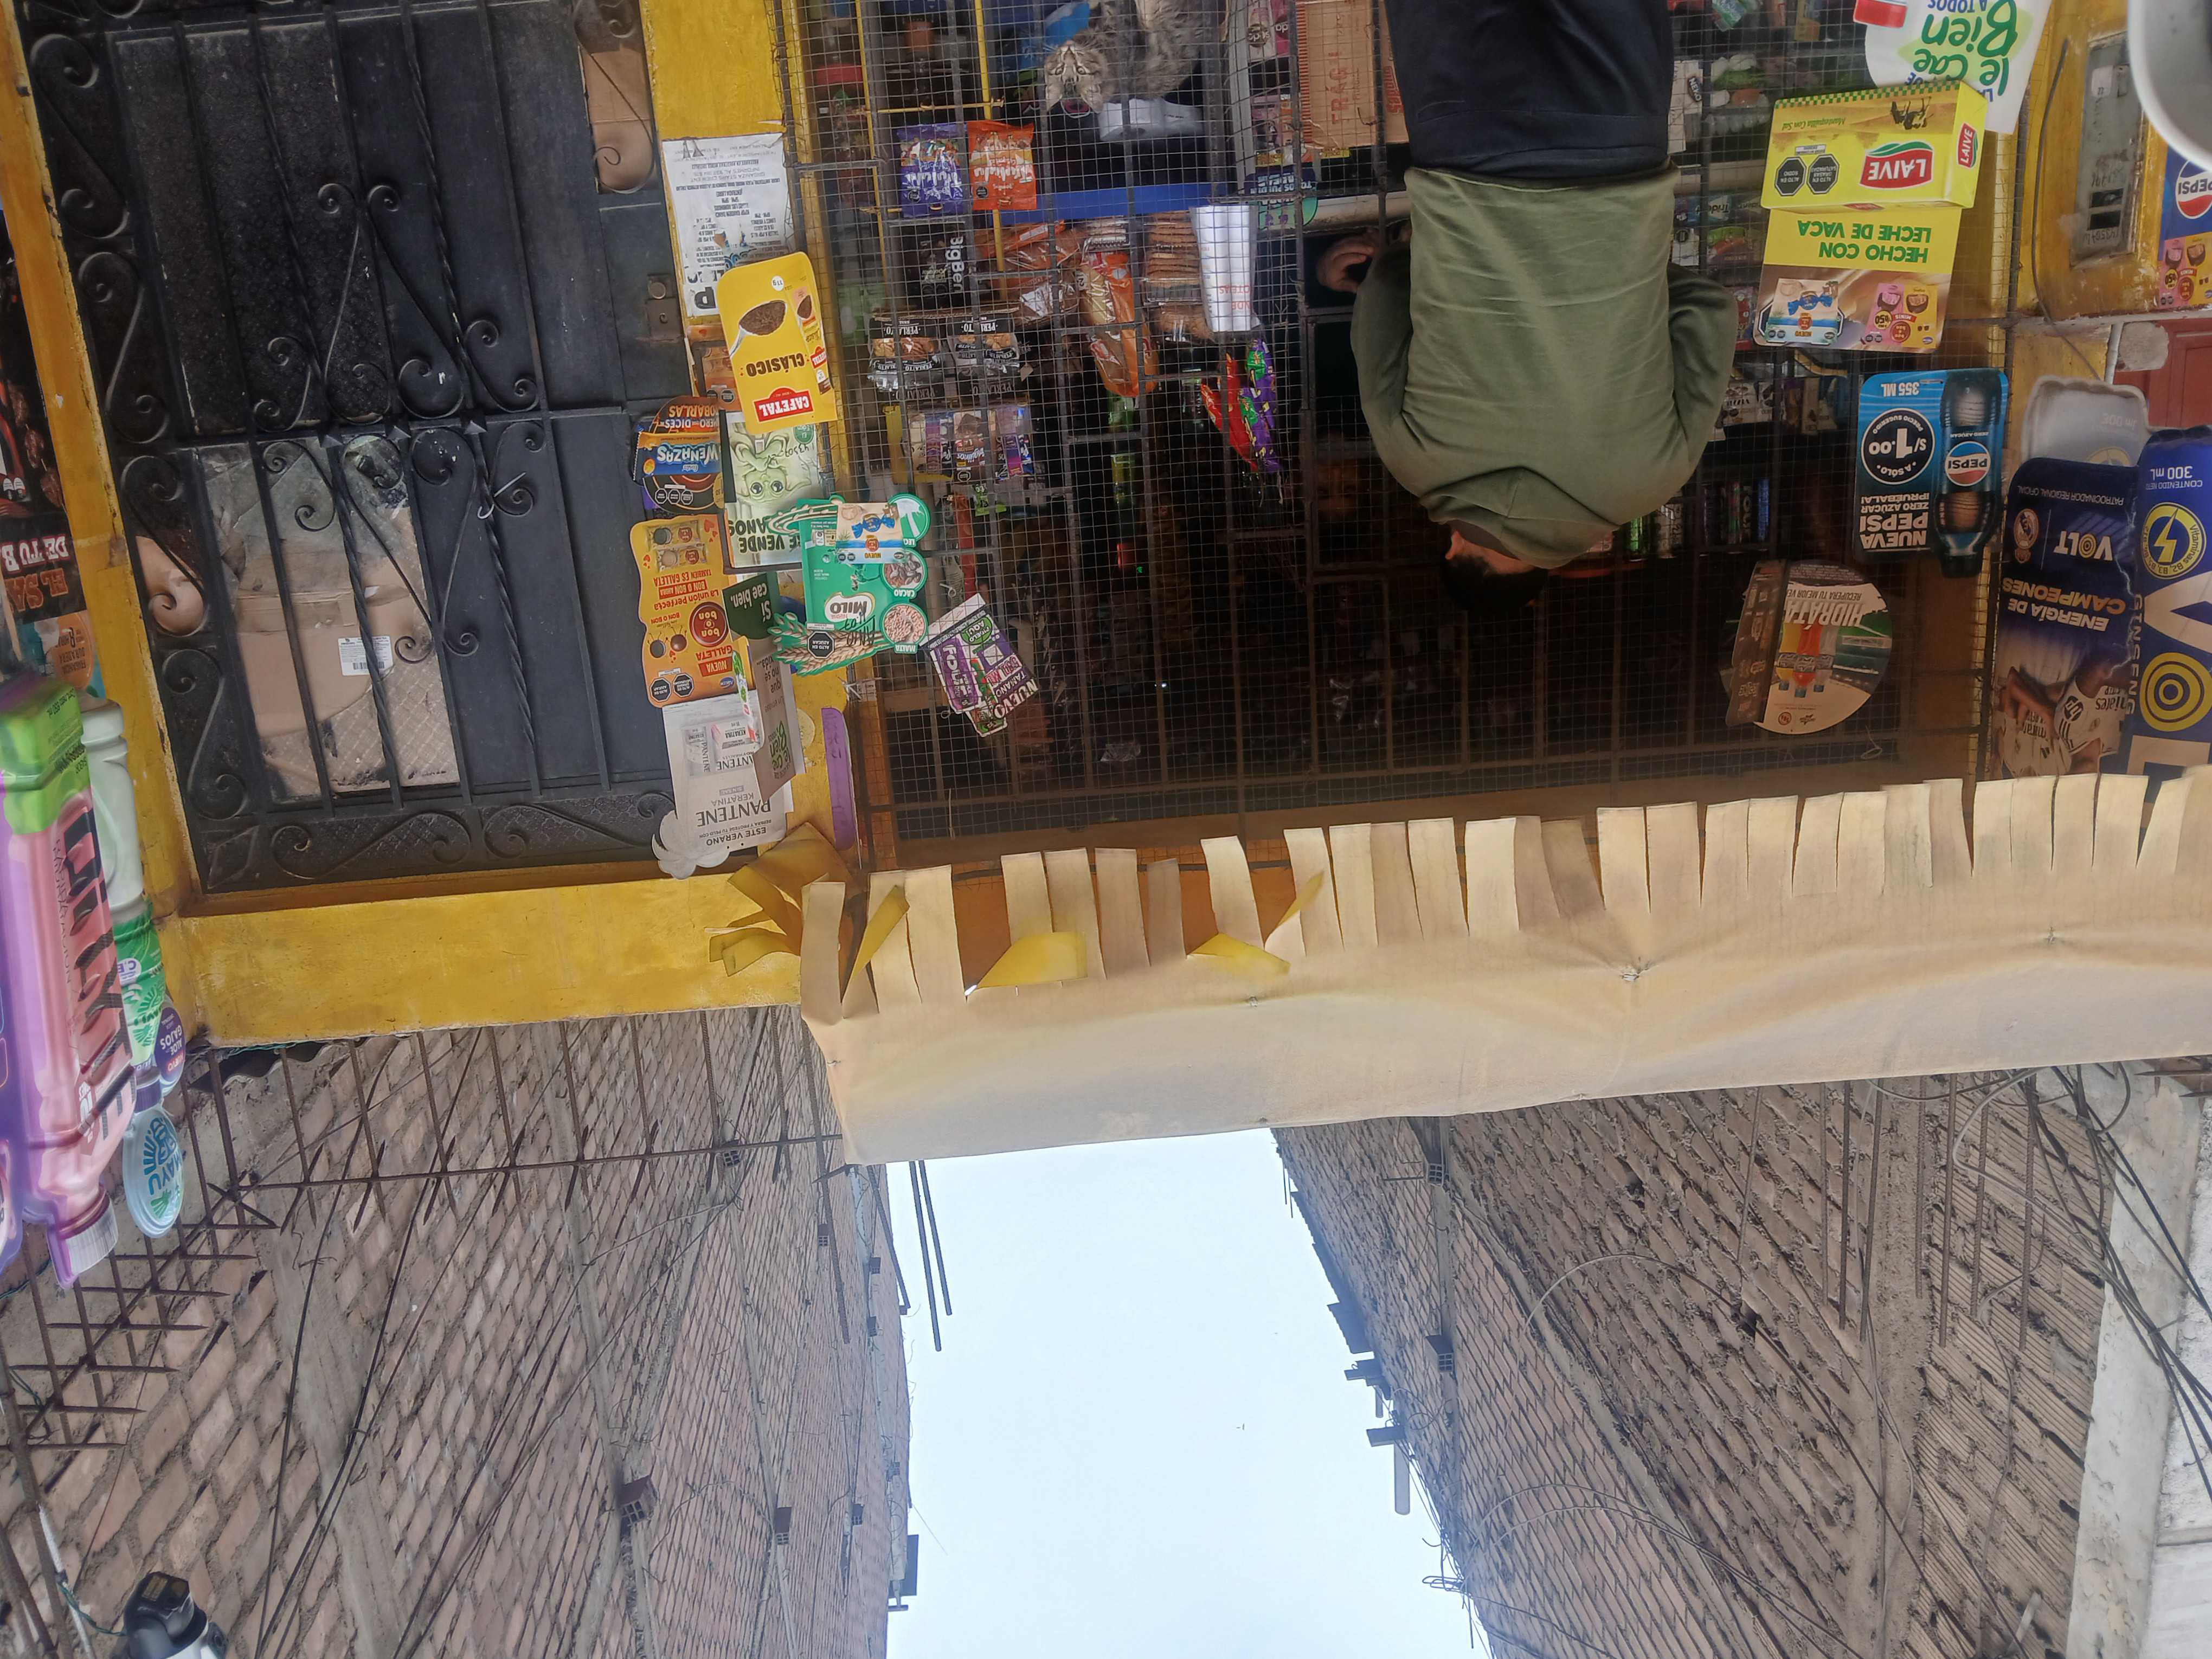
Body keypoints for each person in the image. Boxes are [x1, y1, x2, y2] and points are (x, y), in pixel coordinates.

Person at [1320, 0, 1735, 619]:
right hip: (1466, 138)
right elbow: (1382, 294)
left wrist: (1617, 272)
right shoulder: (1412, 457)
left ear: (1545, 568)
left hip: (1615, 143)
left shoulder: (1652, 479)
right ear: (1454, 550)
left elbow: (1711, 312)